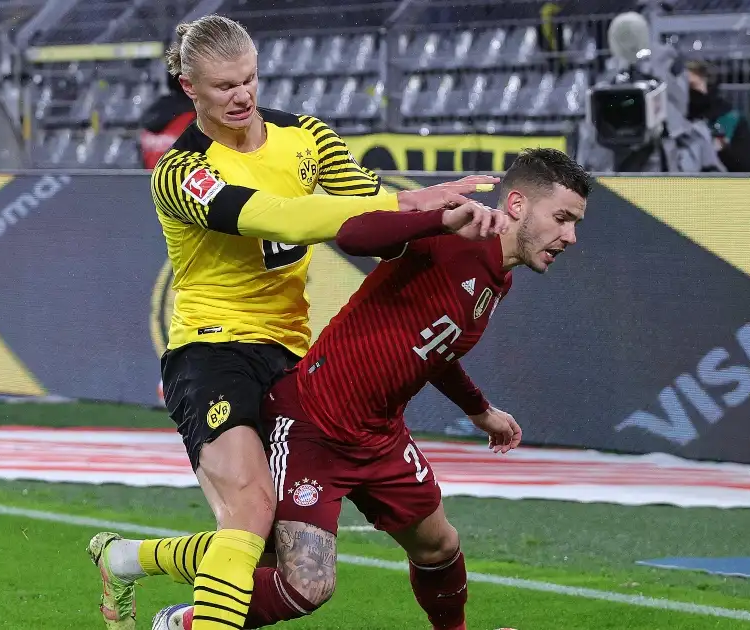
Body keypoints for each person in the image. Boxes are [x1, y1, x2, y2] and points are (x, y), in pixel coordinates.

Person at [85, 14, 498, 630]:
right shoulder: (181, 172)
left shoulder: (306, 136)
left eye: (249, 79)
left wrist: (421, 202)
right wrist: (417, 209)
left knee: (274, 547)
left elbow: (367, 212)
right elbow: (285, 218)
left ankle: (126, 559)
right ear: (187, 85)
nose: (242, 95)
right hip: (212, 350)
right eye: (223, 85)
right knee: (250, 510)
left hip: (291, 353)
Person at [152, 148, 591, 630]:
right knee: (304, 585)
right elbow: (355, 235)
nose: (569, 236)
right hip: (313, 425)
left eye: (574, 224)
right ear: (516, 204)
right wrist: (433, 219)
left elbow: (432, 348)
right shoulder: (450, 235)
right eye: (562, 218)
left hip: (379, 435)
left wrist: (479, 410)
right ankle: (181, 623)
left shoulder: (497, 278)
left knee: (439, 546)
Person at [685, 60, 750, 173]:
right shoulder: (677, 119)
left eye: (692, 85)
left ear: (708, 83)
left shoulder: (731, 118)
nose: (688, 92)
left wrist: (725, 150)